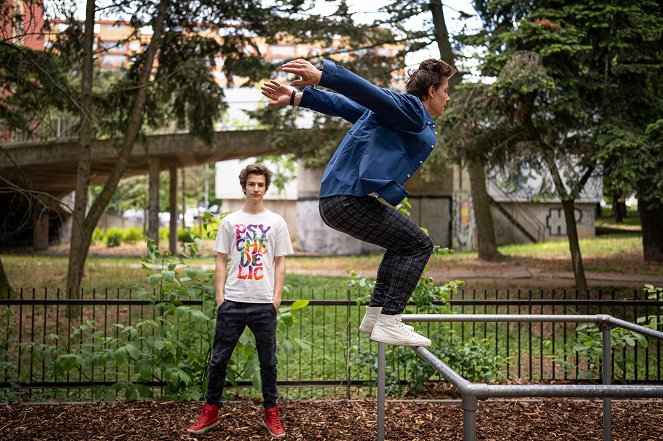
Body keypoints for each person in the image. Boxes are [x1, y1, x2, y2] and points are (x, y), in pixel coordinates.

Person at [261, 57, 455, 347]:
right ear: (430, 92)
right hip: (347, 199)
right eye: (445, 91)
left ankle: (376, 314)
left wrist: (295, 98)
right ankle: (390, 319)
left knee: (402, 243)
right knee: (419, 245)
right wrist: (324, 76)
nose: (447, 98)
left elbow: (348, 107)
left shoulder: (393, 115)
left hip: (337, 200)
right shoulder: (412, 110)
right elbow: (368, 92)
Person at [187, 163, 293, 438]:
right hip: (232, 301)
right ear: (244, 187)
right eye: (251, 184)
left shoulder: (276, 222)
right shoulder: (230, 221)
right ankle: (210, 412)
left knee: (268, 362)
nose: (256, 189)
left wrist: (276, 297)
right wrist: (220, 296)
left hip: (263, 303)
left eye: (260, 184)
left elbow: (280, 262)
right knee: (218, 360)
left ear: (265, 188)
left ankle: (271, 414)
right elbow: (220, 260)